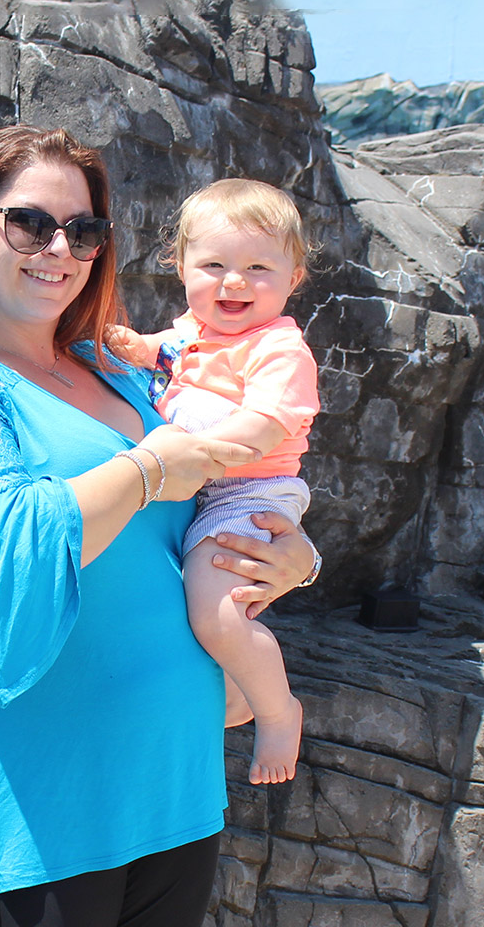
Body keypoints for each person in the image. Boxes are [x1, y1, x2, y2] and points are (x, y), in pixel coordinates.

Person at [0, 126, 321, 927]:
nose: (59, 248)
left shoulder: (117, 366)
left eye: (83, 230)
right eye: (29, 224)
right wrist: (147, 469)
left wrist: (296, 555)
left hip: (177, 776)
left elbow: (219, 496)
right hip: (49, 793)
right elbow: (11, 555)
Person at [103, 179, 316, 785]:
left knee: (219, 613)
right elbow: (152, 352)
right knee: (208, 605)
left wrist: (190, 457)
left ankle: (276, 711)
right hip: (209, 485)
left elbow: (265, 425)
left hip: (251, 490)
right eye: (214, 264)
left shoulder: (278, 346)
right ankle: (231, 683)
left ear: (293, 276)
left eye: (258, 267)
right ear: (180, 266)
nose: (234, 282)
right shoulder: (190, 332)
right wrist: (124, 346)